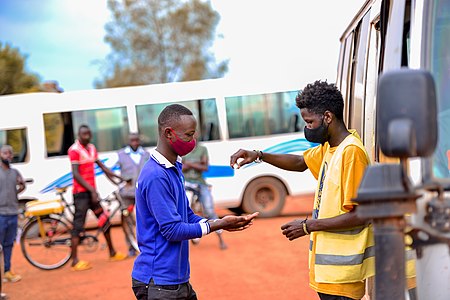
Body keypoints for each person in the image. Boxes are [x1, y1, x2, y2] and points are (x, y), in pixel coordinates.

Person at [230, 81, 374, 300]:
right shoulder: (330, 147)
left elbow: (361, 215)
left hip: (343, 278)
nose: (307, 127)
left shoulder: (351, 152)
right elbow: (300, 162)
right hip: (329, 276)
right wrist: (259, 155)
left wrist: (307, 227)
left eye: (309, 122)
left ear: (327, 117)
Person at [131, 104, 258, 300]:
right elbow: (172, 230)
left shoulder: (173, 168)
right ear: (169, 134)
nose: (193, 141)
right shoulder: (156, 176)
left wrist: (218, 223)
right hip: (158, 282)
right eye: (188, 135)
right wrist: (217, 225)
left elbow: (186, 215)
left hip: (175, 280)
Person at [68, 124, 127, 271]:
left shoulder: (92, 148)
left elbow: (102, 167)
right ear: (78, 135)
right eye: (84, 135)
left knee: (104, 220)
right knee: (78, 226)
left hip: (91, 193)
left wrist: (118, 178)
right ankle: (74, 261)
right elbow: (76, 174)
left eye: (89, 134)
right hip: (81, 194)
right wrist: (92, 190)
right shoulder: (74, 150)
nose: (87, 137)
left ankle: (112, 252)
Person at [182, 136, 227, 250]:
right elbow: (181, 167)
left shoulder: (202, 149)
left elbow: (205, 167)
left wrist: (189, 164)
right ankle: (193, 234)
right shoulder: (182, 150)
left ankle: (220, 238)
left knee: (209, 209)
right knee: (185, 210)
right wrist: (197, 163)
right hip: (186, 183)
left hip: (200, 183)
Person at [116, 133, 150, 256]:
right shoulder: (120, 155)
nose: (134, 143)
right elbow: (110, 170)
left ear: (139, 141)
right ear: (128, 141)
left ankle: (147, 246)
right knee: (127, 221)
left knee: (146, 220)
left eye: (136, 140)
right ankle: (131, 247)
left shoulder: (146, 155)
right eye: (132, 140)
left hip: (143, 193)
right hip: (127, 194)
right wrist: (119, 183)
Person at [0, 145, 25, 283]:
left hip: (12, 213)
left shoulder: (15, 172)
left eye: (10, 153)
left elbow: (22, 186)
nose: (8, 156)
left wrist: (21, 187)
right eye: (5, 153)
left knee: (9, 244)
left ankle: (7, 271)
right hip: (0, 214)